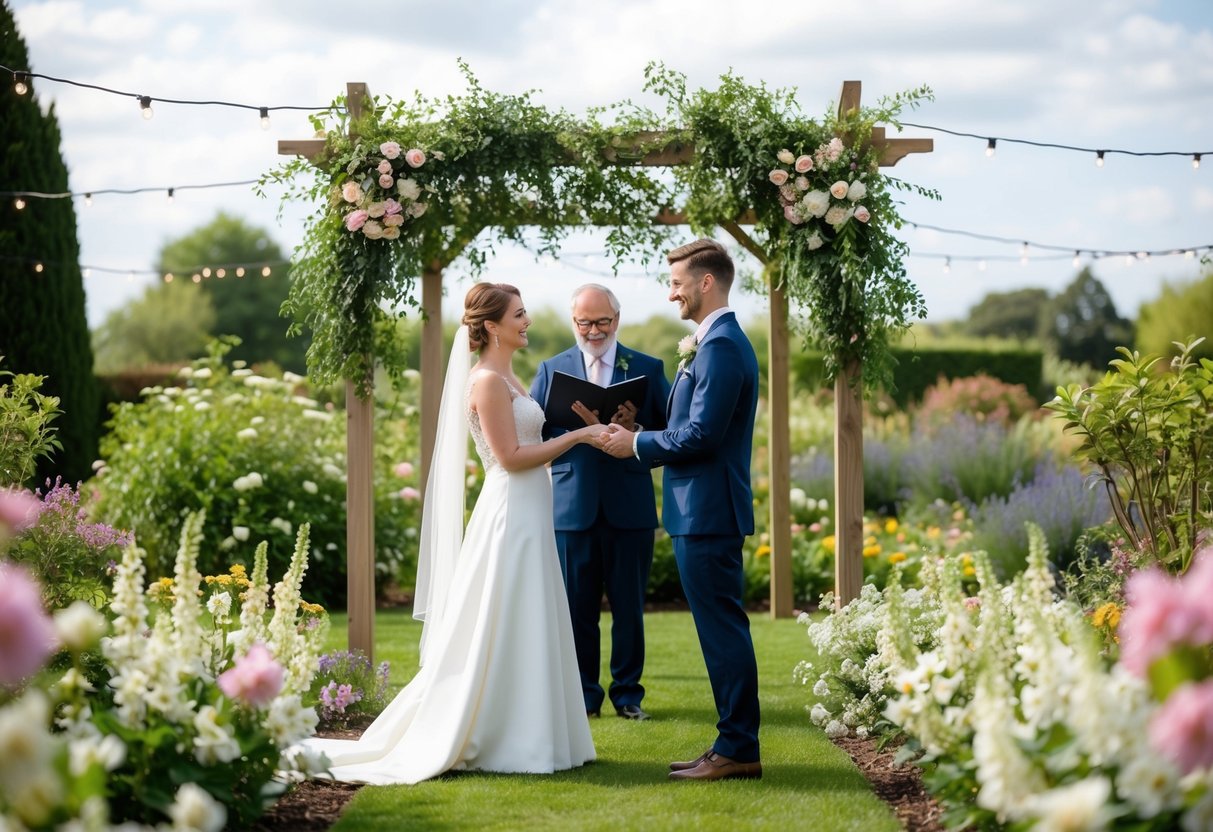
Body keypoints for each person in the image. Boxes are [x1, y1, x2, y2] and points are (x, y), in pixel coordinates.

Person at [301, 283, 604, 784]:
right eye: (520, 314)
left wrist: (585, 427)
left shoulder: (510, 375)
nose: (527, 322)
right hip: (510, 511)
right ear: (492, 326)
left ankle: (537, 731)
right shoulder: (486, 381)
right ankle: (500, 732)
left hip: (530, 510)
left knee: (528, 616)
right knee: (501, 617)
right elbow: (509, 458)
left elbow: (527, 441)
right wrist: (579, 437)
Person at [601, 239, 762, 782]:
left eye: (677, 283)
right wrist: (643, 433)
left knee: (722, 632)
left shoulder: (719, 347)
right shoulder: (714, 342)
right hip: (701, 510)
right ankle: (730, 742)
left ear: (706, 283)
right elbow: (691, 428)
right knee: (719, 631)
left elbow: (703, 434)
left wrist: (638, 447)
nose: (671, 293)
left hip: (709, 512)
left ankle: (738, 747)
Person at [530, 284, 671, 721]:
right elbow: (532, 434)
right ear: (574, 322)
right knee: (577, 609)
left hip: (629, 502)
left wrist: (636, 427)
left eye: (602, 322)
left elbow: (670, 431)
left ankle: (628, 695)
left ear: (617, 319)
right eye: (584, 323)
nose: (593, 331)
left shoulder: (647, 367)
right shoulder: (552, 370)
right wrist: (581, 433)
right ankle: (584, 698)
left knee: (629, 608)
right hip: (571, 504)